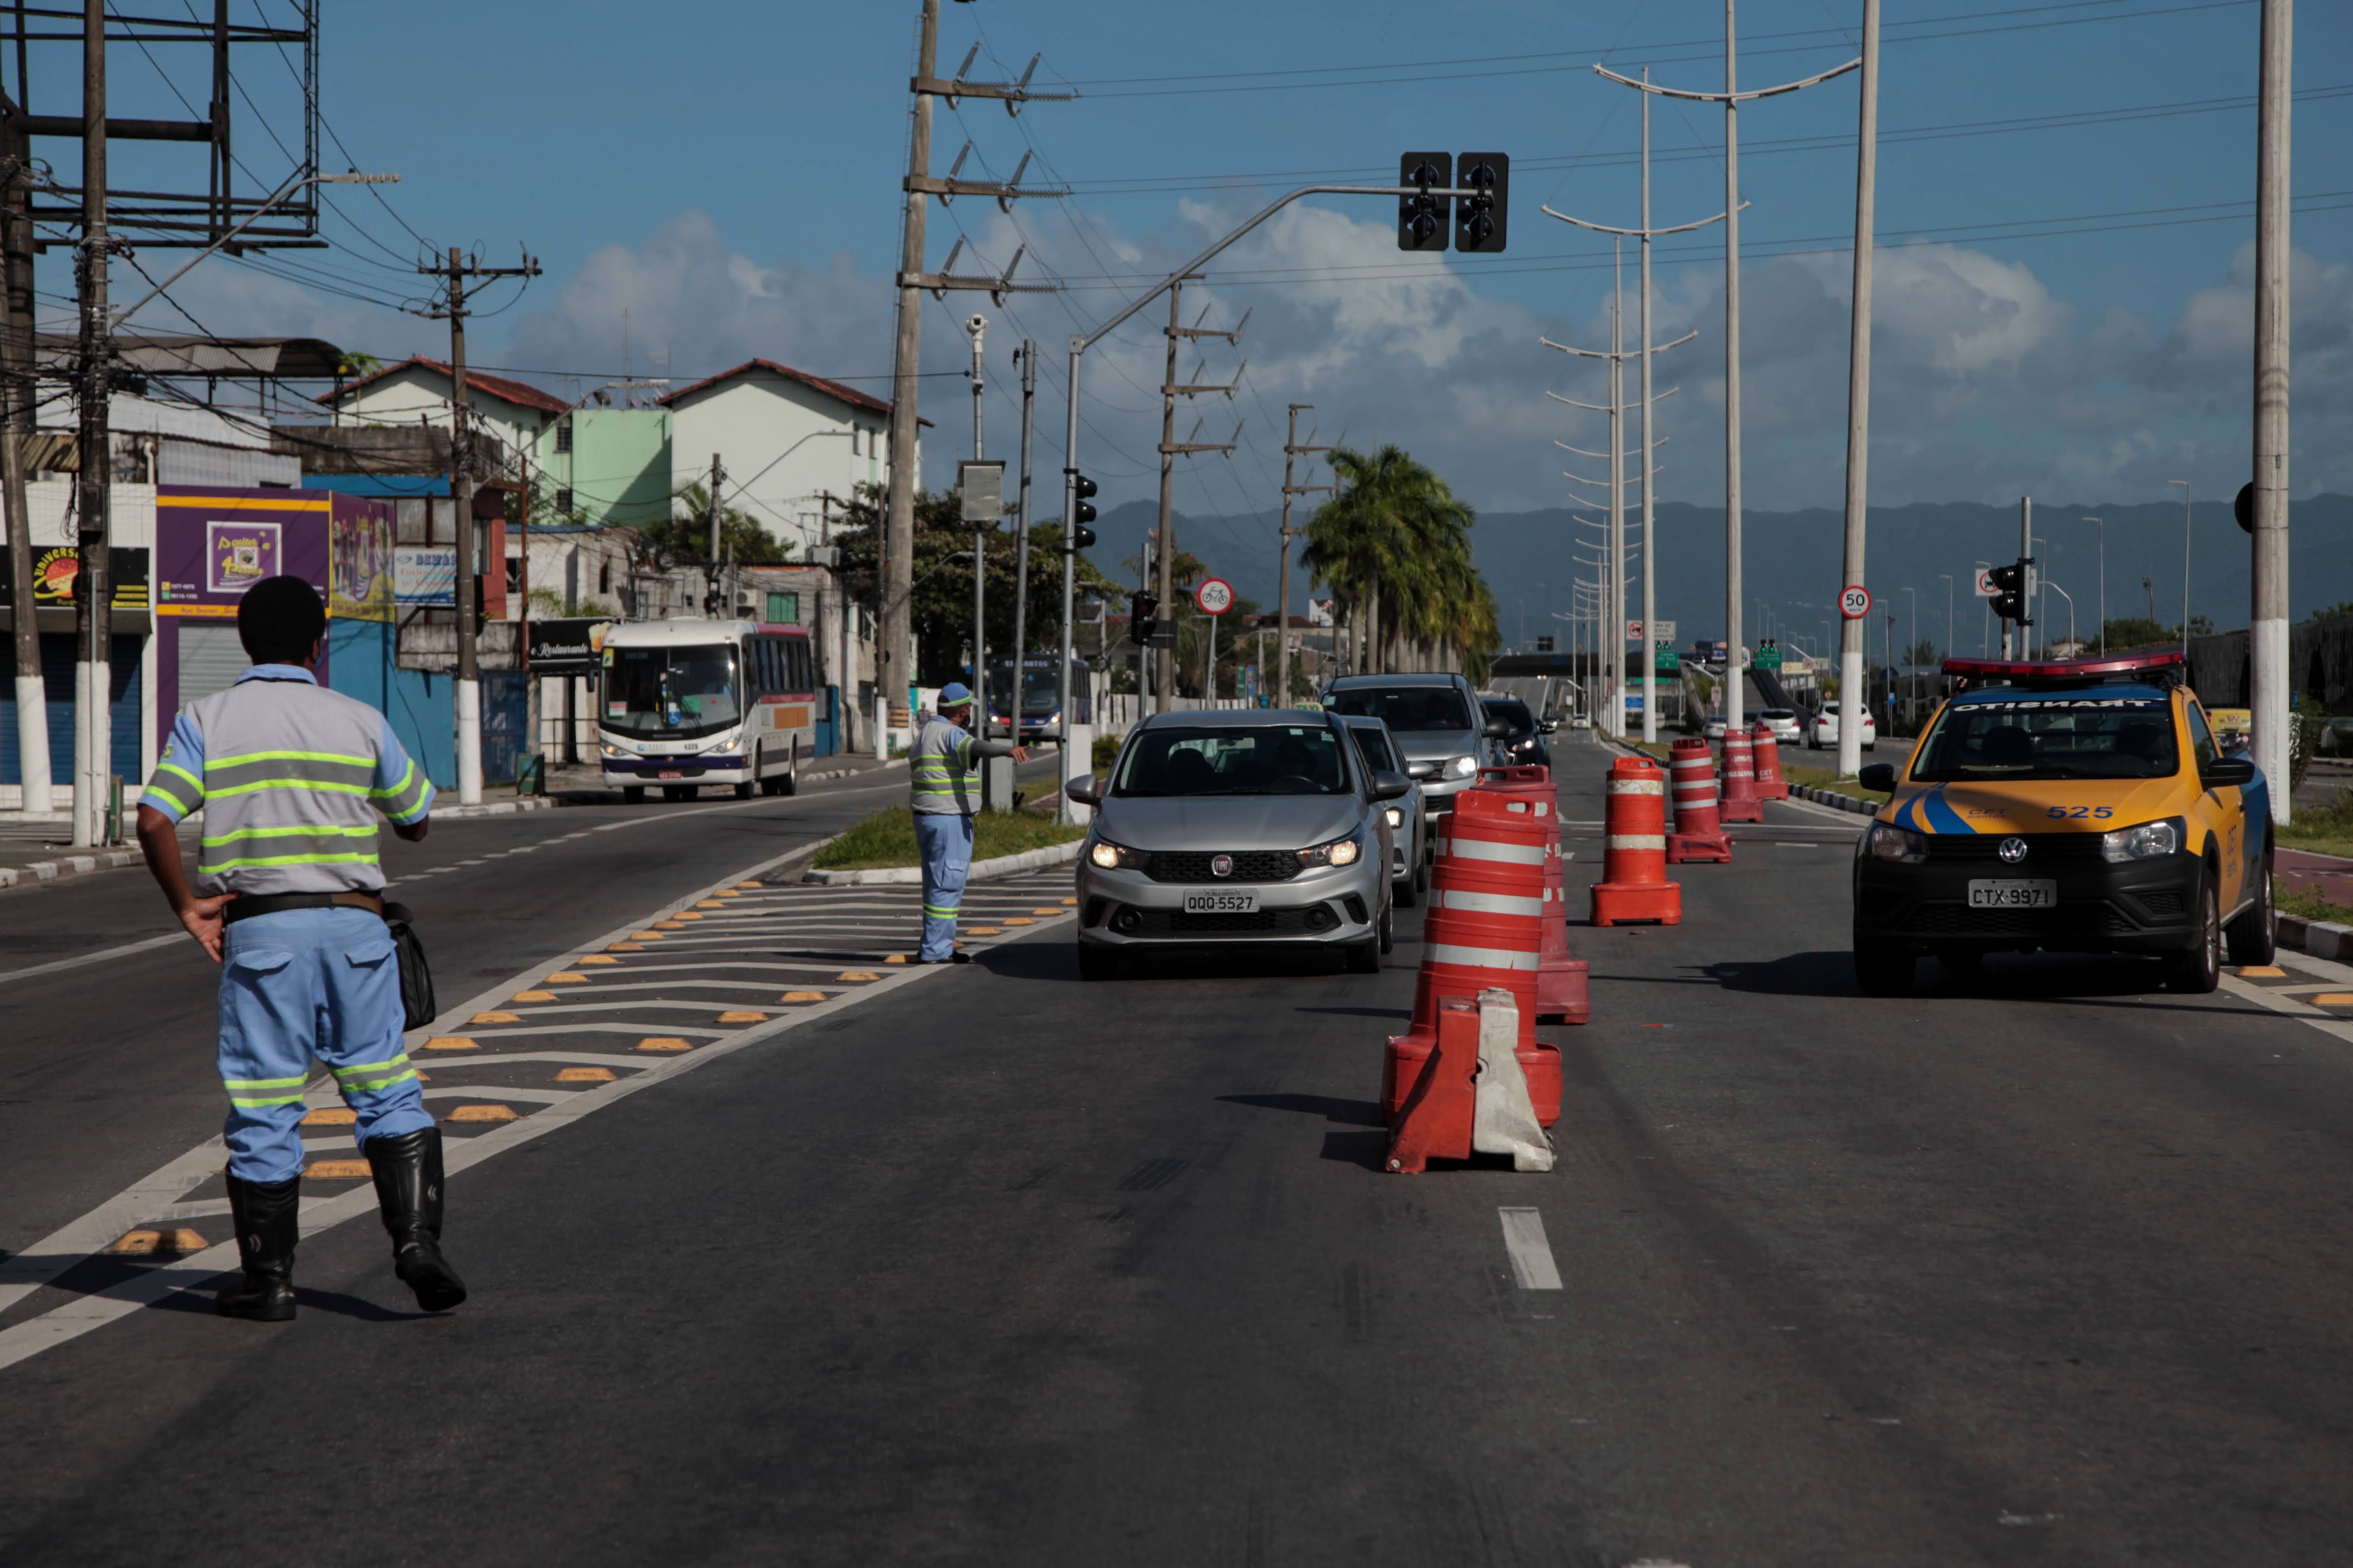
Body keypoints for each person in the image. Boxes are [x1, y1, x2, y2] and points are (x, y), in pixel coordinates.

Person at [134, 575, 463, 1321]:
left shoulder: (207, 718)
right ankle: (415, 1241)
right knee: (385, 1089)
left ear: (246, 642)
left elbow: (154, 821)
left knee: (265, 1105)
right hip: (355, 930)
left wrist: (189, 906)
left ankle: (270, 1281)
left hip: (263, 935)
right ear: (319, 646)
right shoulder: (357, 717)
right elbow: (415, 819)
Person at [908, 682, 1028, 964]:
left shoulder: (925, 733)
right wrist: (1006, 751)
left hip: (926, 820)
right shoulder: (951, 734)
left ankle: (933, 944)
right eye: (968, 709)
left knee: (935, 885)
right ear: (962, 710)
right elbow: (972, 746)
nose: (969, 712)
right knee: (947, 886)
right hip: (949, 821)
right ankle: (936, 951)